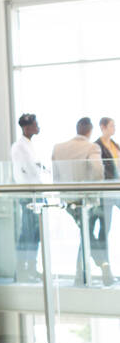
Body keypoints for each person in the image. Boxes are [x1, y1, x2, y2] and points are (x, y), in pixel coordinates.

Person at [51, 118, 106, 286]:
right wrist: (97, 187)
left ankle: (81, 275)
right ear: (89, 131)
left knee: (86, 234)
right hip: (86, 199)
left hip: (67, 200)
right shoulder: (92, 147)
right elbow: (98, 170)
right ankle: (104, 267)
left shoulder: (58, 148)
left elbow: (56, 176)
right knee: (87, 234)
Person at [10, 113, 47, 282]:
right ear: (26, 127)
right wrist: (38, 168)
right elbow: (30, 170)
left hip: (37, 193)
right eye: (35, 124)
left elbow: (37, 168)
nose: (38, 127)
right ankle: (22, 270)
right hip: (28, 195)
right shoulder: (19, 147)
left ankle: (32, 268)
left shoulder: (30, 145)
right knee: (27, 234)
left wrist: (39, 168)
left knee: (36, 233)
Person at [90, 116, 118, 282]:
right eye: (112, 126)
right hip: (106, 193)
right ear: (103, 127)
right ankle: (105, 268)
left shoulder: (114, 145)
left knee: (103, 231)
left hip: (115, 191)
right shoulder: (97, 146)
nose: (114, 129)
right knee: (103, 231)